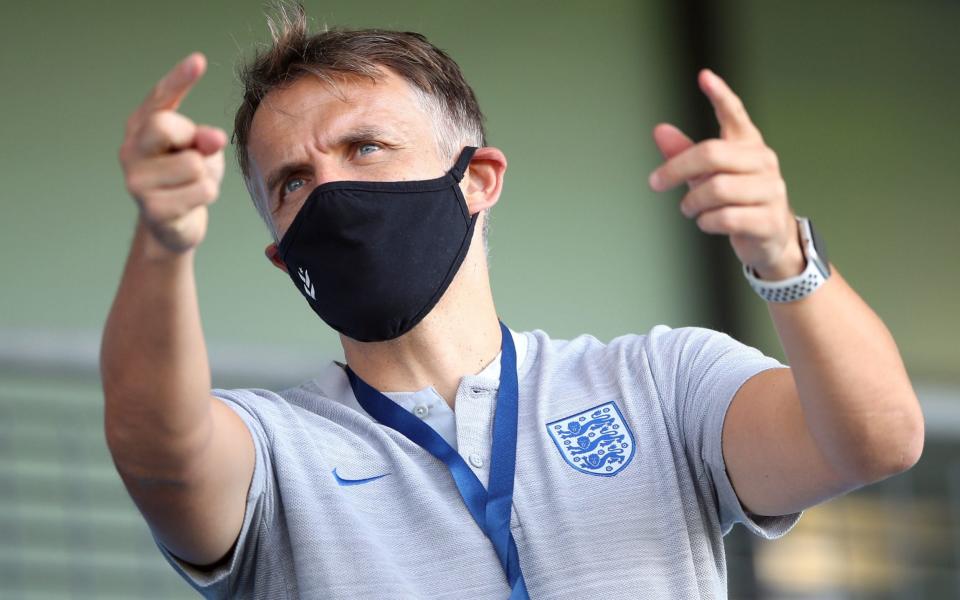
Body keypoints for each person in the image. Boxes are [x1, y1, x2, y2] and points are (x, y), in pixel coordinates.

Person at [101, 8, 924, 600]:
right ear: (282, 257)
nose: (333, 191)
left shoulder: (658, 382)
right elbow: (157, 450)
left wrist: (783, 255)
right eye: (292, 182)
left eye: (366, 147)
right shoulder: (276, 454)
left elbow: (877, 438)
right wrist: (162, 242)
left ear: (478, 179)